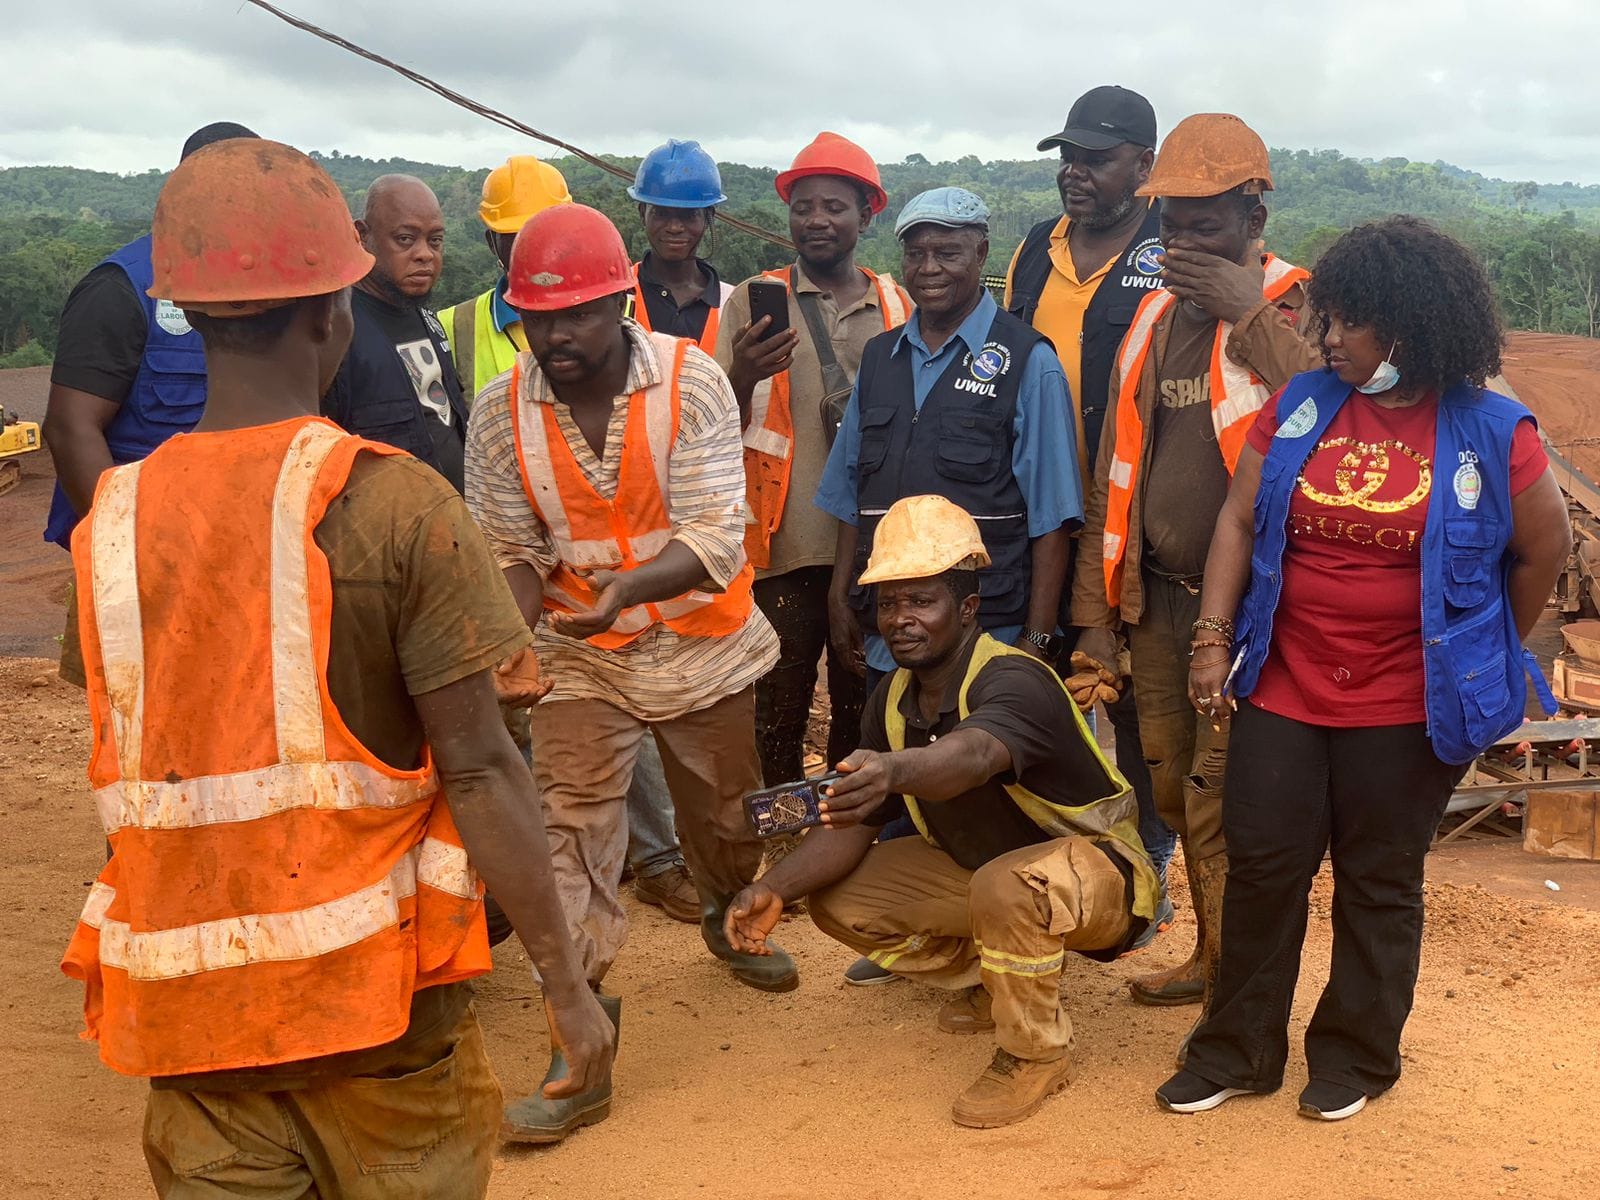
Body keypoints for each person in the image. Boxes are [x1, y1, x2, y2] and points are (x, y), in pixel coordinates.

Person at [59, 138, 612, 1199]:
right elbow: (484, 768)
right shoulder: (397, 505)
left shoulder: (113, 525)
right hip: (379, 1020)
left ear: (187, 311)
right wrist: (564, 987)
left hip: (191, 1024)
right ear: (331, 311)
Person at [1158, 217, 1570, 1120]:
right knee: (1265, 865)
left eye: (1350, 322)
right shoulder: (1302, 403)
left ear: (1413, 326)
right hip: (1284, 681)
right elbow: (1236, 521)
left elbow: (1545, 550)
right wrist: (1212, 638)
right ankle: (1236, 1050)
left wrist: (1482, 650)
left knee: (1379, 878)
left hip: (1408, 702)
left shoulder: (1496, 430)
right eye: (1327, 320)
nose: (1328, 337)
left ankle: (1354, 1057)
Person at [465, 203, 792, 1144]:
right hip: (579, 654)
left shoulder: (692, 384)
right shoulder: (500, 412)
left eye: (578, 315)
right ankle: (583, 1041)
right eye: (538, 317)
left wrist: (624, 592)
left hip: (700, 643)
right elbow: (510, 549)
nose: (558, 336)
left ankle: (730, 907)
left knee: (726, 816)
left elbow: (715, 535)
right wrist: (513, 637)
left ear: (621, 300)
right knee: (570, 827)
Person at [725, 495, 1159, 1129]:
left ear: (968, 609)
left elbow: (975, 754)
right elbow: (853, 827)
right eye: (889, 602)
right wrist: (771, 888)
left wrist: (891, 769)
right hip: (993, 882)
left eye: (921, 601)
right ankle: (997, 979)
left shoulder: (1015, 681)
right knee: (842, 897)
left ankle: (1035, 1052)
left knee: (1007, 885)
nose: (901, 619)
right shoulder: (894, 701)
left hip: (1104, 885)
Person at [1070, 113, 1320, 1042]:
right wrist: (1098, 617)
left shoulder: (1298, 305)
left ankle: (1235, 990)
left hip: (1253, 615)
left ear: (1253, 210)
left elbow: (1335, 424)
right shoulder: (1153, 318)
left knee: (1225, 804)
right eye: (1169, 221)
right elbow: (1113, 473)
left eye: (1202, 221)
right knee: (1172, 794)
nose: (1179, 241)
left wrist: (1245, 309)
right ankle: (1212, 957)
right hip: (1158, 605)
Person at [437, 154, 698, 924]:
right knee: (534, 746)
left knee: (631, 739)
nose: (534, 251)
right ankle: (523, 884)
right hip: (513, 563)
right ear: (492, 248)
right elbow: (483, 460)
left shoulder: (641, 350)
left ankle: (657, 859)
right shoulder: (456, 330)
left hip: (635, 582)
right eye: (513, 239)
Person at [1006, 84, 1177, 966]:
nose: (1075, 172)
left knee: (1139, 681)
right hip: (1044, 500)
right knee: (1045, 670)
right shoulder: (1038, 246)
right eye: (1067, 155)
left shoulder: (1171, 248)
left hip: (1136, 504)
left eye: (1096, 157)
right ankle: (1050, 850)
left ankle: (1151, 857)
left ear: (1143, 167)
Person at [717, 131, 910, 804]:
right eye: (803, 206)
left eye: (834, 206)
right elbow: (713, 424)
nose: (816, 220)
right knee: (780, 692)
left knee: (861, 694)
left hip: (874, 547)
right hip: (784, 541)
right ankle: (778, 824)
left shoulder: (895, 307)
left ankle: (839, 822)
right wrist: (741, 372)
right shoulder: (751, 299)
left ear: (866, 215)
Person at [41, 121, 258, 687]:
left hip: (245, 557)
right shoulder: (120, 288)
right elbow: (70, 428)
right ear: (178, 191)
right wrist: (132, 553)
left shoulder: (272, 291)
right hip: (144, 567)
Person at [322, 175, 469, 491]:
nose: (424, 254)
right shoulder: (334, 329)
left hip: (458, 519)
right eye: (405, 239)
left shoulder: (426, 317)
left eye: (435, 241)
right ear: (362, 235)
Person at [437, 154, 573, 401]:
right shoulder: (453, 326)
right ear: (492, 243)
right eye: (517, 237)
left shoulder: (618, 310)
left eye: (545, 234)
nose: (535, 251)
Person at [625, 139, 733, 354]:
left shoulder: (731, 303)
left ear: (708, 217)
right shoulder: (617, 294)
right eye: (661, 213)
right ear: (642, 213)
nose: (674, 227)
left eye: (689, 215)